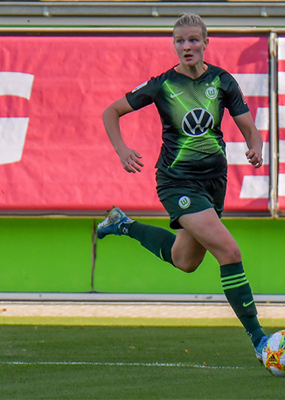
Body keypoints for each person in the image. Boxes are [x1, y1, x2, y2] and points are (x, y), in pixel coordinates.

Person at [98, 13, 269, 361]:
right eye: (180, 41)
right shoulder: (163, 84)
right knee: (229, 252)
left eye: (193, 40)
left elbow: (250, 129)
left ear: (206, 43)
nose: (186, 46)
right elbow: (111, 112)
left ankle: (123, 224)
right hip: (177, 181)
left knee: (185, 260)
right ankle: (260, 341)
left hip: (213, 182)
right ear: (174, 45)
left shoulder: (222, 81)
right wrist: (122, 149)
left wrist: (256, 148)